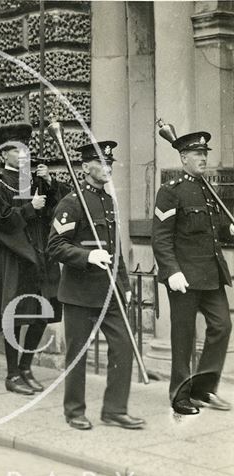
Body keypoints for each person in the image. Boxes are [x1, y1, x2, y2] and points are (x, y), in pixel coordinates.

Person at [48, 140, 145, 430]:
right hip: (79, 294)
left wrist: (125, 285)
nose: (108, 168)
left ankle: (114, 410)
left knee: (123, 347)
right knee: (77, 354)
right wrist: (87, 255)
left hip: (110, 292)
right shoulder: (71, 203)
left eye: (110, 163)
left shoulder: (109, 201)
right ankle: (74, 410)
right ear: (85, 167)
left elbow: (115, 249)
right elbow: (54, 246)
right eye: (101, 163)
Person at [152, 131, 233, 415]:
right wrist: (171, 271)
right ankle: (180, 395)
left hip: (211, 276)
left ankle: (204, 389)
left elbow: (213, 232)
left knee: (222, 326)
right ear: (184, 157)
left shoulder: (206, 189)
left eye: (205, 153)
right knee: (183, 337)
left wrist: (230, 230)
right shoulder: (170, 191)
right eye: (198, 154)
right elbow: (160, 237)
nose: (203, 158)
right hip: (184, 278)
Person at [0, 123, 66, 395]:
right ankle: (12, 373)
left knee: (42, 312)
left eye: (25, 150)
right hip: (13, 258)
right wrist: (30, 208)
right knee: (15, 316)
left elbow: (58, 210)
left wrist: (50, 185)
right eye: (16, 151)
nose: (23, 156)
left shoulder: (34, 180)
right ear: (2, 155)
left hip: (40, 255)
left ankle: (26, 366)